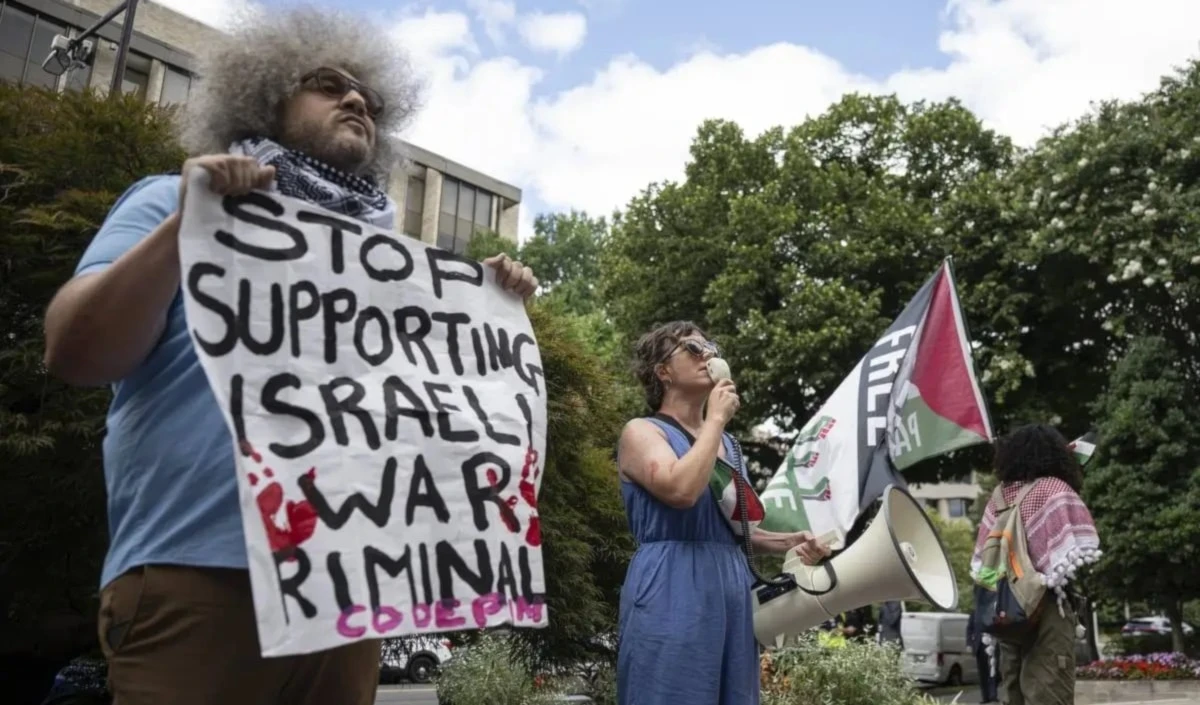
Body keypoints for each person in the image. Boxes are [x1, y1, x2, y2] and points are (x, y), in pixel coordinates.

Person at [41, 8, 537, 705]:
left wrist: (486, 307)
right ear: (265, 95)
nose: (356, 99)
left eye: (369, 97)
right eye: (327, 84)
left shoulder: (393, 271)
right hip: (198, 575)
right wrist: (188, 222)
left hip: (349, 590)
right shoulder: (169, 202)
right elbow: (76, 352)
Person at [615, 321, 831, 705]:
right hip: (672, 583)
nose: (708, 355)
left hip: (732, 587)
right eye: (692, 349)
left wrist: (787, 541)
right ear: (663, 372)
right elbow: (681, 490)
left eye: (710, 348)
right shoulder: (643, 432)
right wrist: (714, 420)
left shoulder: (728, 444)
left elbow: (731, 528)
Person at [971, 424, 1100, 705]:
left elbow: (982, 558)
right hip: (1047, 605)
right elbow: (1076, 553)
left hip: (1006, 607)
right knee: (1049, 687)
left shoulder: (998, 497)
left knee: (1012, 687)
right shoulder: (1054, 489)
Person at [967, 611, 999, 703]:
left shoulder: (994, 611)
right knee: (983, 672)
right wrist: (969, 644)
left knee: (993, 670)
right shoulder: (974, 613)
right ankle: (985, 697)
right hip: (980, 646)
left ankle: (993, 695)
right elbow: (969, 629)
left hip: (992, 644)